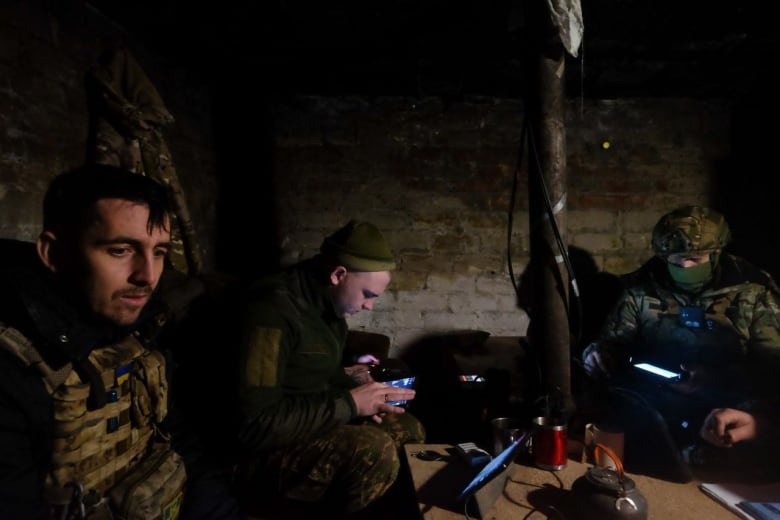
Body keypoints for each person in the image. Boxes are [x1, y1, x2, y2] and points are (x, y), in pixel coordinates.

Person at [0, 164, 242, 519]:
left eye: (158, 252)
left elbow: (181, 447)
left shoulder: (140, 331)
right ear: (54, 254)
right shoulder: (13, 370)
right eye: (120, 250)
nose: (147, 276)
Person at [220, 220, 426, 517]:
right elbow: (255, 425)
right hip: (255, 455)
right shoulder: (270, 311)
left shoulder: (328, 308)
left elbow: (312, 371)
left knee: (409, 428)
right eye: (368, 295)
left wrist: (355, 379)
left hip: (303, 422)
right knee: (373, 452)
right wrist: (352, 404)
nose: (369, 307)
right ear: (338, 274)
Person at [581, 205, 780, 480]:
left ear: (716, 252)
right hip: (653, 398)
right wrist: (596, 355)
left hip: (727, 403)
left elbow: (772, 369)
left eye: (695, 259)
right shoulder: (642, 291)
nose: (685, 267)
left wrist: (717, 379)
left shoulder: (753, 295)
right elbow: (611, 343)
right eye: (676, 261)